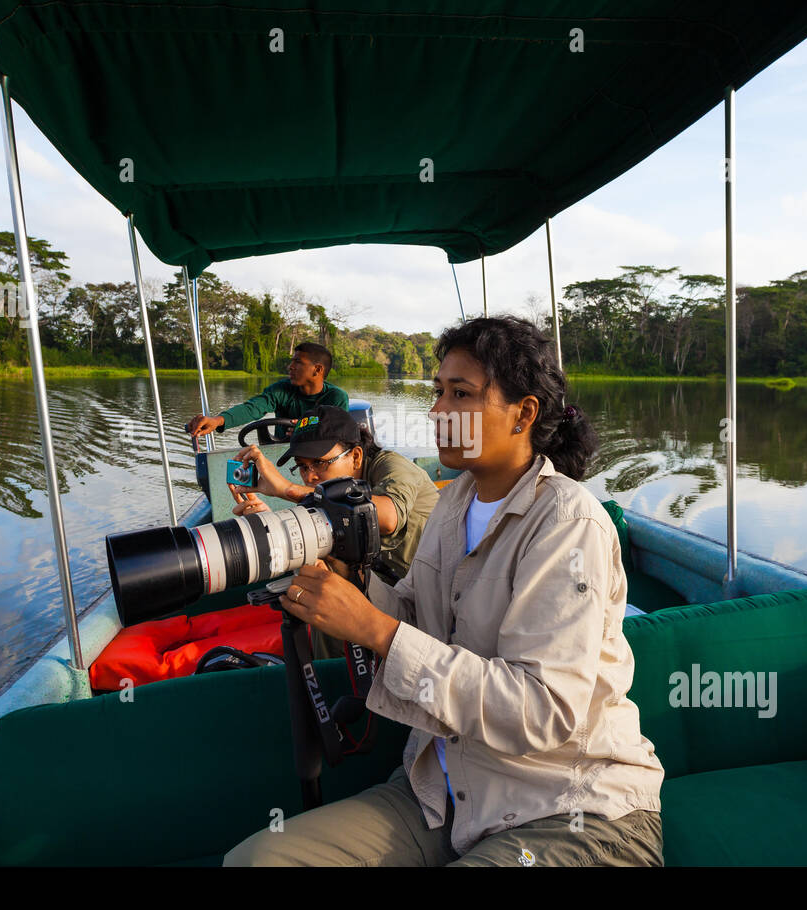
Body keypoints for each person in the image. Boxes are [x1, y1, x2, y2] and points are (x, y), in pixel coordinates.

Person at [223, 315, 665, 867]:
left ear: (524, 413)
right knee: (260, 861)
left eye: (461, 394)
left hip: (567, 809)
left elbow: (541, 710)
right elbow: (412, 615)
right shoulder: (454, 504)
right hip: (441, 791)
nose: (437, 412)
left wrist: (374, 628)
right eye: (438, 393)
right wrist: (341, 578)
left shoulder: (569, 523)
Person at [227, 405, 440, 657]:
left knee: (329, 589)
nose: (310, 476)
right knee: (317, 578)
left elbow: (388, 517)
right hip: (383, 587)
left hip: (428, 605)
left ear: (356, 456)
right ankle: (329, 680)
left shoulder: (392, 466)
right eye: (303, 467)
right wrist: (268, 522)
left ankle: (338, 681)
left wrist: (288, 490)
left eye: (319, 462)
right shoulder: (330, 498)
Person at [186, 342, 348, 447]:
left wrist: (309, 428)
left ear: (318, 369)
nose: (290, 367)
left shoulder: (336, 397)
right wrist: (217, 421)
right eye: (292, 361)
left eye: (297, 362)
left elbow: (338, 433)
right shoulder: (281, 389)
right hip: (280, 454)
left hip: (317, 460)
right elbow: (252, 408)